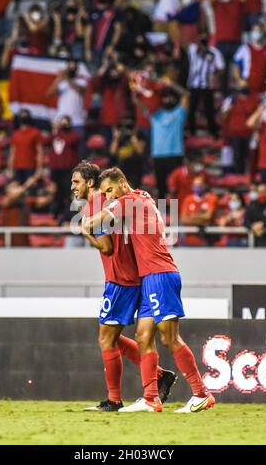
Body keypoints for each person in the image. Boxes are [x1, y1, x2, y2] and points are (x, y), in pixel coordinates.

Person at [84, 167, 215, 413]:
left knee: (169, 338)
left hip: (160, 274)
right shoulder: (142, 196)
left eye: (110, 190)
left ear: (122, 182)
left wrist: (85, 224)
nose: (109, 196)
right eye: (105, 192)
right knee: (143, 337)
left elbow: (95, 221)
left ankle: (201, 393)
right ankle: (151, 397)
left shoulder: (129, 201)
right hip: (149, 278)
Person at [71, 161, 177, 412]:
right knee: (122, 337)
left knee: (106, 339)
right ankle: (156, 380)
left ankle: (114, 399)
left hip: (120, 279)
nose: (72, 187)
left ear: (90, 183)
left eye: (76, 182)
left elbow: (107, 247)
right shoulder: (112, 201)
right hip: (135, 275)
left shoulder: (94, 206)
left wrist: (82, 230)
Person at [8, 109, 44, 184]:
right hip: (17, 167)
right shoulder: (15, 134)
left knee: (30, 191)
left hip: (31, 167)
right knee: (18, 191)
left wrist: (39, 169)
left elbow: (40, 152)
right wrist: (10, 169)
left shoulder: (35, 132)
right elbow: (12, 153)